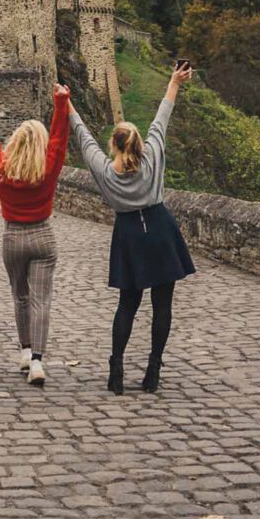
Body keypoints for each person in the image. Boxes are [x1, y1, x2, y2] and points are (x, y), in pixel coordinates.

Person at [68, 62, 196, 395]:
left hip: (128, 235)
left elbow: (83, 137)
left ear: (114, 145)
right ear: (138, 142)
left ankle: (117, 371)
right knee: (162, 306)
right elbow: (162, 115)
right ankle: (153, 370)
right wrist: (173, 81)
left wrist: (66, 103)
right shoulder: (152, 155)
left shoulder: (106, 173)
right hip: (160, 228)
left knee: (128, 305)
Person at [0, 76, 70, 386]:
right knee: (41, 301)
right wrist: (61, 103)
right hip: (42, 237)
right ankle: (37, 360)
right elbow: (60, 139)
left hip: (12, 237)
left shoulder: (1, 167)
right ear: (40, 144)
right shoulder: (48, 167)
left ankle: (24, 351)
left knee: (20, 297)